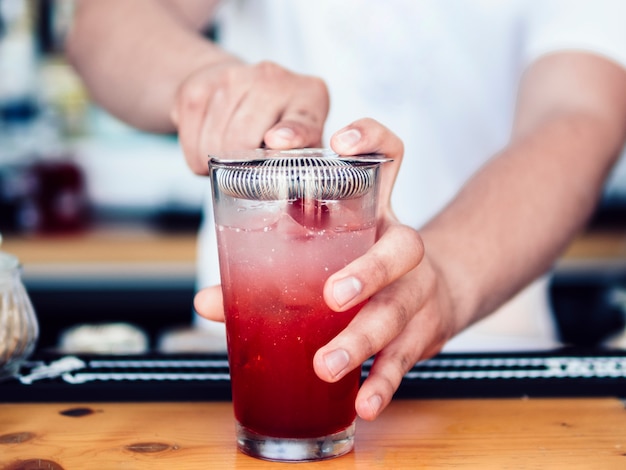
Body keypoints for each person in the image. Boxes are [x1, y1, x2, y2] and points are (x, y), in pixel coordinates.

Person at [65, 0, 626, 421]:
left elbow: (580, 110)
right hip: (243, 362)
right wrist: (206, 84)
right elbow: (105, 21)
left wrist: (446, 281)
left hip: (490, 352)